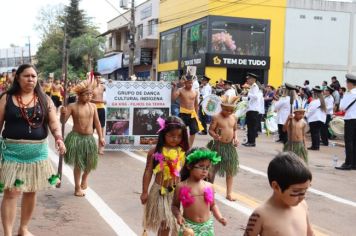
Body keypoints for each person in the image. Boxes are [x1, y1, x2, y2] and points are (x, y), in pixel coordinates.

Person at [0, 64, 66, 236]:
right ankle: (7, 233)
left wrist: (59, 138)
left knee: (30, 190)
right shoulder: (6, 98)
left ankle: (23, 229)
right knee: (12, 192)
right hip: (12, 153)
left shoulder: (45, 99)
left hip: (37, 153)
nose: (30, 79)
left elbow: (53, 123)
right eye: (26, 76)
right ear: (18, 78)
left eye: (33, 76)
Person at [243, 152, 314, 236]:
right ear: (276, 186)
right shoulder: (261, 214)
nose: (302, 196)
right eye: (296, 191)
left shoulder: (302, 205)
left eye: (305, 190)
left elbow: (310, 233)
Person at [140, 116, 189, 236]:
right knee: (165, 224)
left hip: (177, 193)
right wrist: (145, 191)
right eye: (172, 135)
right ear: (163, 133)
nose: (175, 139)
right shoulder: (155, 151)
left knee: (177, 225)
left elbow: (188, 174)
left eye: (179, 136)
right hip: (160, 192)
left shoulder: (183, 152)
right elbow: (148, 171)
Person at [60, 80, 105, 197]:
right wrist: (62, 114)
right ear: (79, 95)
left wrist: (101, 137)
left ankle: (85, 177)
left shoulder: (93, 106)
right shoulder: (72, 106)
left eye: (91, 94)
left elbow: (98, 123)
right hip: (77, 138)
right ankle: (77, 188)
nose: (89, 96)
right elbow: (62, 122)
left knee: (90, 162)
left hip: (89, 138)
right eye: (86, 94)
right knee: (79, 164)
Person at [172, 147, 227, 235]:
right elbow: (175, 206)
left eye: (207, 167)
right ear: (189, 165)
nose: (205, 171)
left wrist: (220, 217)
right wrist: (178, 215)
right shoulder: (181, 186)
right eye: (201, 167)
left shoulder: (209, 186)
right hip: (189, 227)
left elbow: (213, 205)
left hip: (207, 227)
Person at [207, 95, 240, 201]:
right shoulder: (216, 117)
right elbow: (210, 130)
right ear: (221, 107)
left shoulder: (234, 117)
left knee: (230, 170)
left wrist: (236, 138)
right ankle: (209, 189)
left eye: (231, 110)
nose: (229, 112)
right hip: (218, 146)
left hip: (229, 147)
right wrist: (214, 135)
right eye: (226, 110)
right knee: (212, 169)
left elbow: (234, 130)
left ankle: (229, 193)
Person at [172, 75, 204, 147]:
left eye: (191, 83)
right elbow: (173, 98)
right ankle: (180, 146)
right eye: (188, 83)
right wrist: (174, 88)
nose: (190, 84)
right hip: (183, 113)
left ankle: (189, 147)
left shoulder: (195, 91)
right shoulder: (180, 90)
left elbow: (196, 104)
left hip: (192, 114)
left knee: (193, 132)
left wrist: (197, 115)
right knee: (181, 131)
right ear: (185, 83)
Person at [335, 74, 356, 170]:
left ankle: (348, 163)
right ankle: (354, 164)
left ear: (350, 84)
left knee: (349, 141)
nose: (346, 85)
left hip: (350, 119)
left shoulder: (349, 94)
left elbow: (342, 107)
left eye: (347, 83)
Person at [91, 72, 106, 155]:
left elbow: (113, 91)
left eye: (100, 77)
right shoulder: (90, 88)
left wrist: (111, 83)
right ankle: (91, 147)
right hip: (92, 109)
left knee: (101, 129)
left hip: (101, 109)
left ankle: (100, 148)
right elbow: (89, 99)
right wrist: (101, 101)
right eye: (97, 77)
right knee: (91, 130)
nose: (98, 79)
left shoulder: (103, 87)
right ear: (93, 78)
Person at [243, 73, 259, 147]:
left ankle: (252, 142)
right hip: (250, 109)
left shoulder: (255, 87)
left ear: (253, 79)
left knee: (252, 127)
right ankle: (249, 141)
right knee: (249, 127)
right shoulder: (252, 87)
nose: (247, 80)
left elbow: (255, 97)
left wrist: (248, 93)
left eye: (248, 79)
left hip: (253, 110)